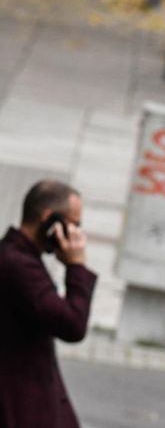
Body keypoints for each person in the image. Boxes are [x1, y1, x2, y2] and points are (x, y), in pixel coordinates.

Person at [0, 180, 95, 428]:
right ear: (49, 220)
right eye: (73, 225)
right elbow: (73, 325)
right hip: (21, 408)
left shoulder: (16, 257)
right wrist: (76, 267)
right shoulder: (19, 266)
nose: (76, 234)